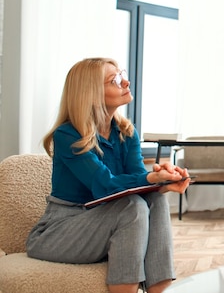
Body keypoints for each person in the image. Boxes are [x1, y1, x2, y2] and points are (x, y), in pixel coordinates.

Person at [26, 58, 191, 293]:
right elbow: (104, 185)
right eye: (114, 80)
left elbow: (137, 181)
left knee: (155, 200)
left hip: (105, 222)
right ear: (91, 94)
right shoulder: (67, 135)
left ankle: (159, 291)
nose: (126, 81)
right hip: (59, 231)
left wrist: (164, 181)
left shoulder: (126, 132)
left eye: (121, 74)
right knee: (131, 207)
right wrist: (151, 179)